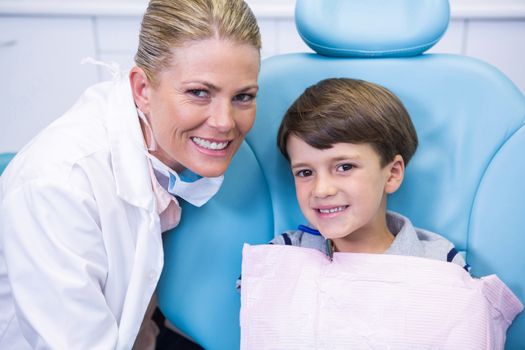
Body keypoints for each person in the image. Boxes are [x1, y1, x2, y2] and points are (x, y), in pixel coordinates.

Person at [0, 0, 260, 349]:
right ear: (142, 89)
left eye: (243, 96)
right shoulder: (60, 185)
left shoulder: (169, 149)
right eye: (199, 93)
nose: (225, 122)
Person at [271, 77, 469, 268]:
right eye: (305, 172)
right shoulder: (279, 256)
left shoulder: (441, 261)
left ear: (392, 173)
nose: (321, 190)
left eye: (344, 167)